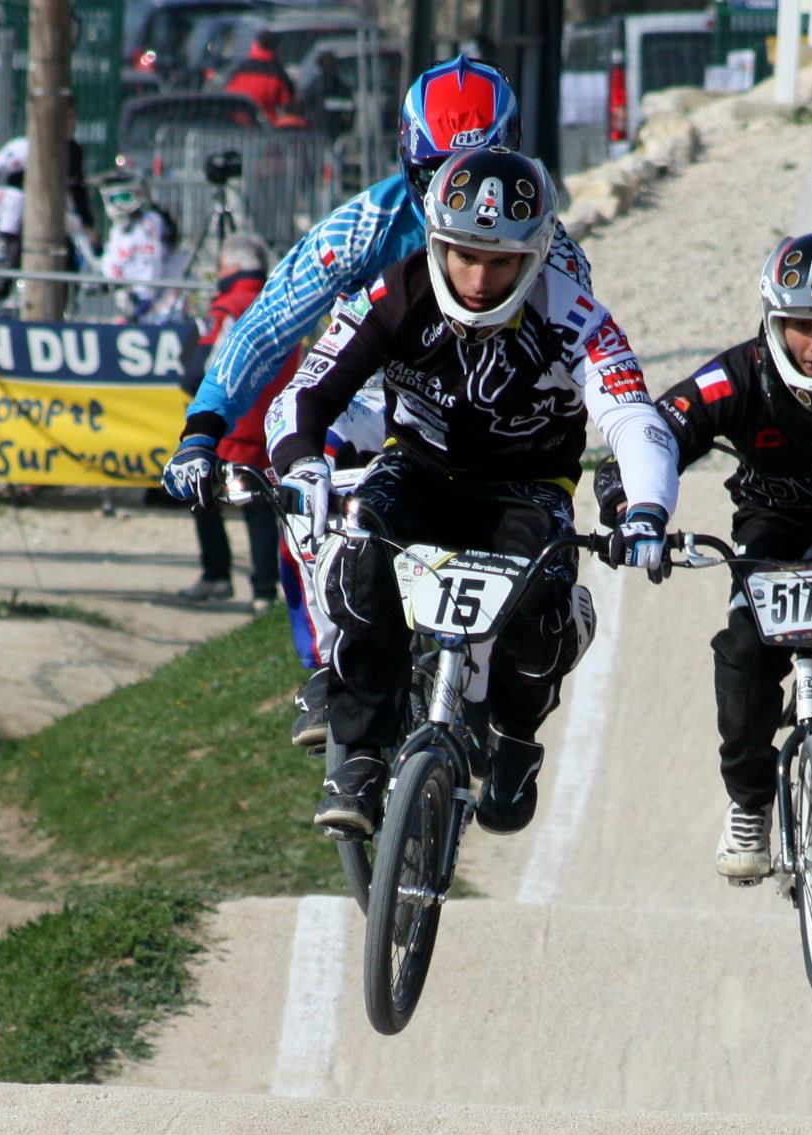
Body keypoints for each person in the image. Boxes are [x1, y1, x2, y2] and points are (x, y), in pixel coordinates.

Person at [265, 147, 679, 837]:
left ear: (536, 255)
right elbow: (307, 391)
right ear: (436, 242)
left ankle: (514, 741)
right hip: (417, 469)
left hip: (527, 488)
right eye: (464, 255)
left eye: (502, 261)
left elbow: (635, 418)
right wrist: (304, 466)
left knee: (541, 601)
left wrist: (646, 510)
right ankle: (360, 753)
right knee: (359, 553)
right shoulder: (395, 293)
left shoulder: (576, 317)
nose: (480, 279)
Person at [163, 56, 536, 747]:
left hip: (481, 416)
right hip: (369, 404)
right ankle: (326, 665)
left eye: (475, 173)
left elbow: (584, 351)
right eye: (434, 176)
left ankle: (496, 692)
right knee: (300, 480)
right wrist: (202, 430)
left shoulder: (547, 239)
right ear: (407, 160)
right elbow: (265, 326)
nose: (452, 196)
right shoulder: (359, 229)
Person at [596, 232, 812, 880]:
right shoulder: (736, 374)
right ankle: (749, 800)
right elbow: (656, 433)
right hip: (774, 521)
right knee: (744, 650)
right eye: (801, 326)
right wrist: (628, 499)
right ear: (772, 318)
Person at [177, 233, 291, 607]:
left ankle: (216, 576)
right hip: (276, 425)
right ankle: (264, 593)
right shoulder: (286, 302)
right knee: (261, 508)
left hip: (231, 427)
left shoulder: (228, 307)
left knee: (202, 495)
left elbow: (200, 371)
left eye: (222, 266)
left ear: (233, 267)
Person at [96, 170, 187, 323]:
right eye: (112, 198)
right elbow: (111, 263)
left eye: (123, 197)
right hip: (134, 299)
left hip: (160, 299)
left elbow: (152, 264)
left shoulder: (150, 223)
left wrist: (145, 300)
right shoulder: (116, 231)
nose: (117, 204)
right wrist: (117, 285)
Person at [223, 31, 298, 125]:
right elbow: (288, 106)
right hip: (265, 127)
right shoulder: (278, 74)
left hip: (236, 126)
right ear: (276, 48)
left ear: (256, 44)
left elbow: (227, 98)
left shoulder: (238, 71)